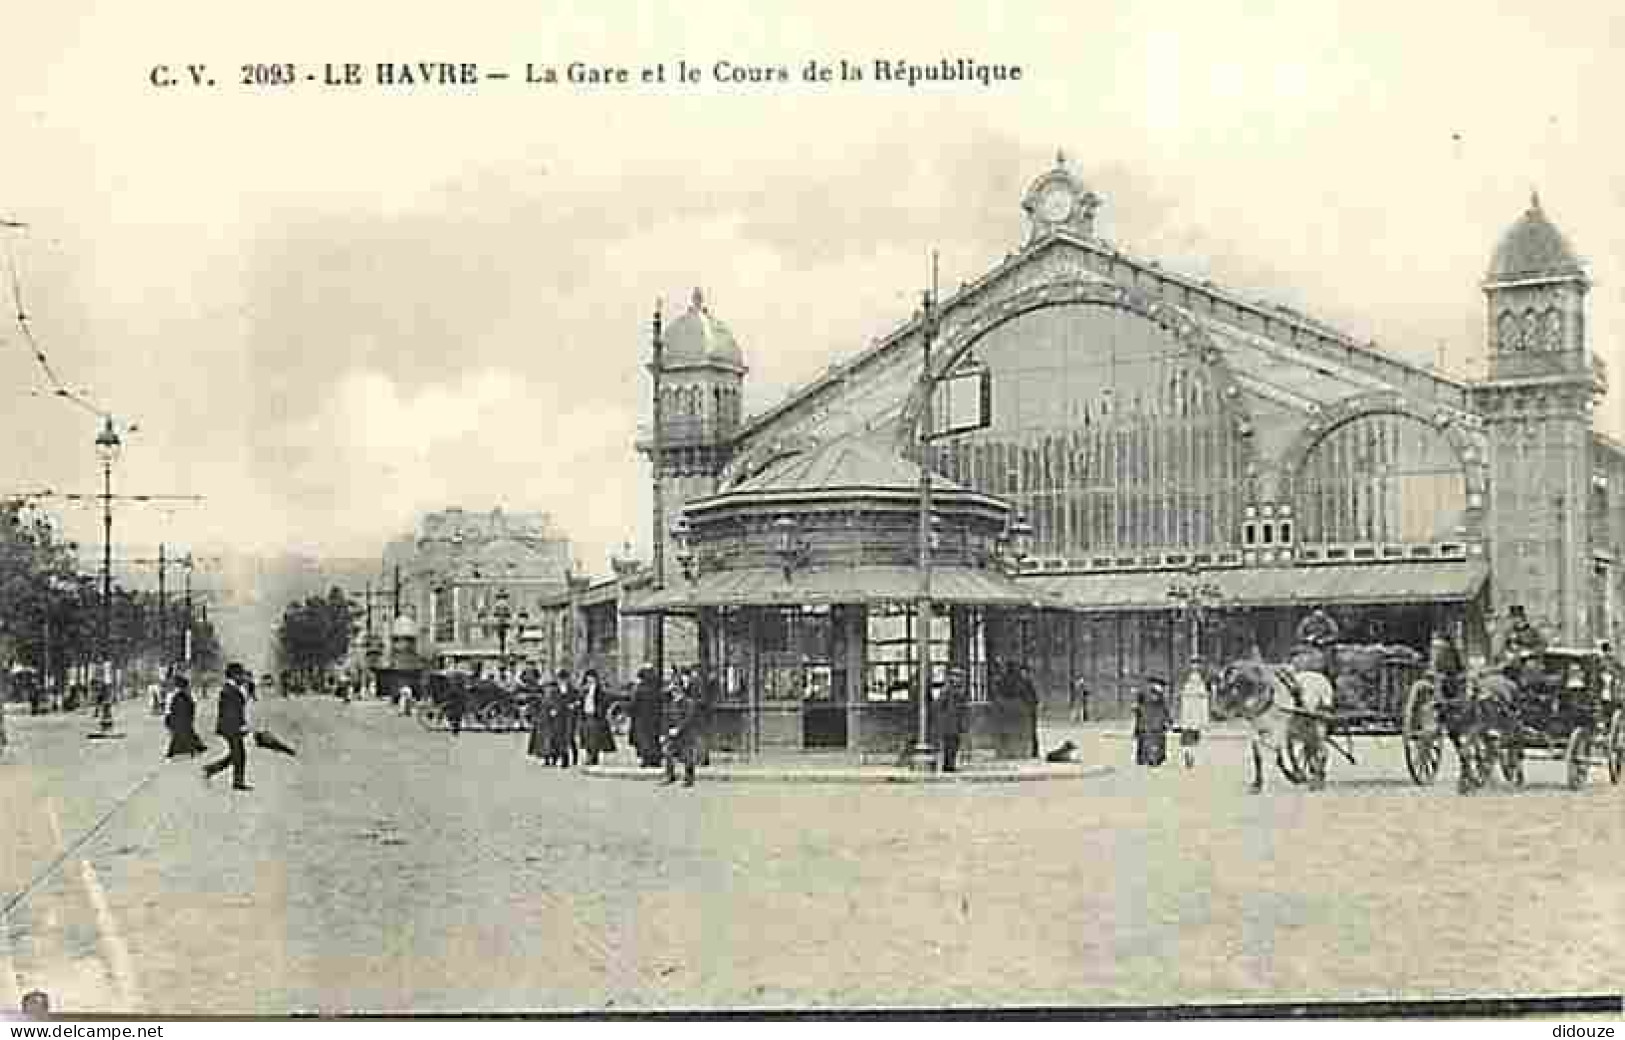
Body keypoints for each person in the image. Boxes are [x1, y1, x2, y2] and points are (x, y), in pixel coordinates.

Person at [203, 663, 253, 790]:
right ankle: (237, 782)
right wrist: (240, 726)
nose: (243, 677)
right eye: (241, 674)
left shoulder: (232, 689)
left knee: (237, 754)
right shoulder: (229, 691)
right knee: (239, 754)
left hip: (231, 726)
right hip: (230, 727)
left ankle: (211, 769)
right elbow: (232, 712)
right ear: (235, 675)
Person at [660, 678, 702, 787]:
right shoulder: (670, 703)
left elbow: (689, 718)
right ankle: (670, 776)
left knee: (687, 756)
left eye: (675, 690)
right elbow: (666, 719)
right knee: (667, 753)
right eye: (673, 691)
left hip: (686, 734)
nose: (673, 693)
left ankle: (689, 778)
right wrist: (664, 733)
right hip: (672, 734)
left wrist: (678, 729)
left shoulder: (689, 703)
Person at [578, 669, 616, 766]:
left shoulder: (599, 689)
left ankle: (593, 757)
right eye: (588, 677)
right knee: (586, 737)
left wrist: (601, 711)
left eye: (592, 677)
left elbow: (605, 699)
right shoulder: (584, 689)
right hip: (586, 715)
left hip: (596, 716)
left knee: (595, 739)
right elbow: (580, 700)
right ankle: (589, 755)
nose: (590, 679)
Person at [164, 675, 207, 759]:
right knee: (185, 734)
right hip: (180, 718)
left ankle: (170, 755)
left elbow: (169, 708)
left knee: (181, 735)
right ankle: (198, 749)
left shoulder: (178, 694)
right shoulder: (182, 694)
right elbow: (193, 705)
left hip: (178, 718)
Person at [631, 664, 664, 767]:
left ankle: (646, 759)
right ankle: (655, 759)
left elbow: (634, 704)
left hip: (641, 718)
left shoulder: (639, 689)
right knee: (653, 739)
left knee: (644, 739)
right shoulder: (656, 687)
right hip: (655, 717)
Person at [1177, 669, 1210, 769]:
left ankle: (1188, 754)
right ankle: (1191, 756)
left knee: (1187, 741)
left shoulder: (1186, 690)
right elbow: (1204, 709)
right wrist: (1204, 722)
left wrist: (1182, 721)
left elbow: (1183, 708)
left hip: (1187, 722)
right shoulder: (1201, 693)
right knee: (1194, 741)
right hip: (1196, 722)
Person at [555, 670, 580, 768]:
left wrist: (574, 705)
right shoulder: (555, 690)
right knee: (561, 737)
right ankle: (565, 759)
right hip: (560, 716)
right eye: (560, 679)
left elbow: (578, 700)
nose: (562, 681)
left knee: (569, 737)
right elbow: (553, 701)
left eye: (564, 679)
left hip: (570, 715)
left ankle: (574, 756)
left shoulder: (573, 689)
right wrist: (554, 709)